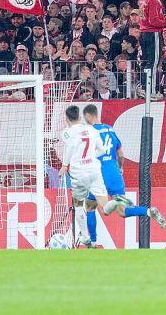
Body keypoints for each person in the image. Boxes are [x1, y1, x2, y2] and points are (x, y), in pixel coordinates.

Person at [81, 105, 166, 246]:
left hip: (99, 174)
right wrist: (120, 167)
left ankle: (93, 243)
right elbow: (121, 153)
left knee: (90, 207)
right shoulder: (110, 129)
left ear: (88, 116)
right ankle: (149, 211)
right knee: (122, 212)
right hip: (114, 173)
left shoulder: (89, 132)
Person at [59, 105, 123, 248]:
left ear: (67, 119)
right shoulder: (92, 130)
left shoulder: (66, 133)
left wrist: (65, 165)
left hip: (79, 173)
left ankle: (86, 236)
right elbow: (102, 149)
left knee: (79, 206)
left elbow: (69, 147)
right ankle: (112, 205)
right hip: (94, 170)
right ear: (80, 117)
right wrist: (91, 157)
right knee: (104, 207)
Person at [139, 0, 166, 93]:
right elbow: (154, 20)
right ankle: (150, 91)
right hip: (153, 34)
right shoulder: (154, 1)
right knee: (153, 62)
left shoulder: (143, 0)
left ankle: (144, 88)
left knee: (146, 61)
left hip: (143, 33)